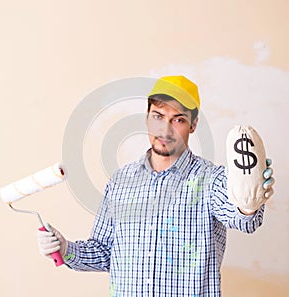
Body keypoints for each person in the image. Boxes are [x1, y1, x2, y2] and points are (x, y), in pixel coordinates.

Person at [37, 76, 274, 297]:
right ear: (147, 117)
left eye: (178, 119)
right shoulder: (121, 181)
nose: (165, 130)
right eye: (158, 116)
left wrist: (249, 200)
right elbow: (105, 252)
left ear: (193, 125)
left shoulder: (212, 180)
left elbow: (244, 220)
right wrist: (65, 247)